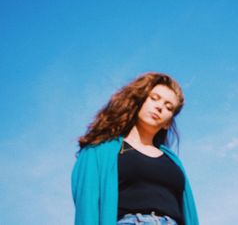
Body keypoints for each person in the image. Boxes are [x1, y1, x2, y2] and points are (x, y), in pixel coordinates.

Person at [71, 72, 199, 225]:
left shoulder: (173, 161)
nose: (159, 107)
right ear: (139, 101)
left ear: (168, 123)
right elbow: (87, 206)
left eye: (168, 107)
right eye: (154, 98)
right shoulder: (100, 150)